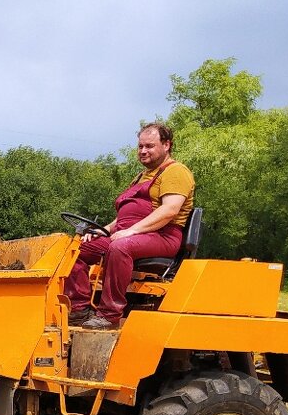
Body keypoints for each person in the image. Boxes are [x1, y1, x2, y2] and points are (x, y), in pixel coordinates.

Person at [65, 122, 195, 330]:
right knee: (74, 248)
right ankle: (80, 309)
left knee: (120, 247)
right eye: (140, 146)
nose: (143, 151)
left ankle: (109, 315)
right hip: (134, 234)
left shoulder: (176, 172)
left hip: (163, 236)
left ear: (167, 145)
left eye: (149, 146)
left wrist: (132, 231)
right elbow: (124, 219)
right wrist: (104, 230)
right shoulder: (141, 177)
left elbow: (169, 210)